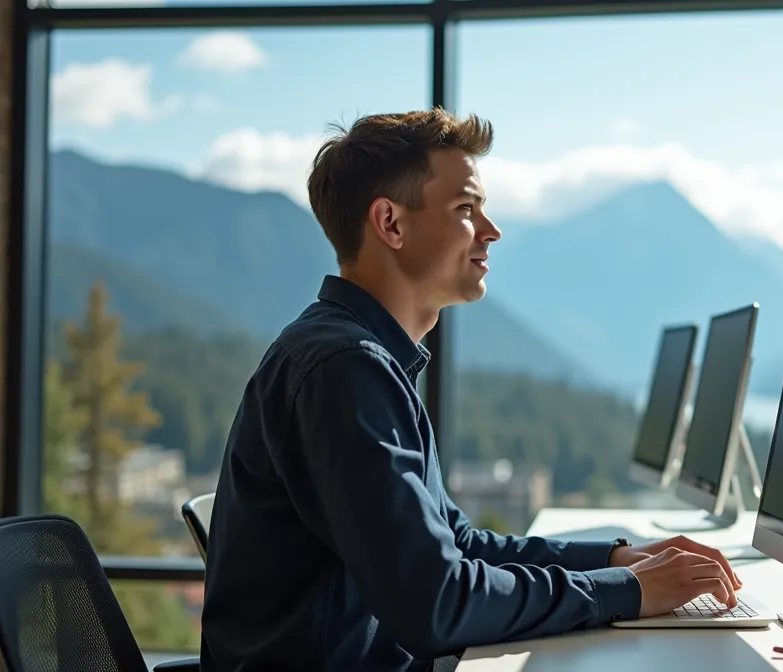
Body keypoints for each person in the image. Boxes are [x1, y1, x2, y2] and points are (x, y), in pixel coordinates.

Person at [198, 108, 743, 672]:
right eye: (466, 209)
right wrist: (626, 590)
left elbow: (453, 543)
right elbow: (438, 602)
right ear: (390, 223)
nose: (491, 230)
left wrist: (618, 560)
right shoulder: (344, 369)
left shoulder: (362, 357)